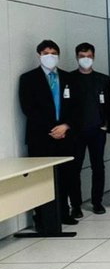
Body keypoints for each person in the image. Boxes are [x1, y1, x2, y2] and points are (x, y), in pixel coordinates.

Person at [18, 40, 79, 226]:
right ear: (39, 55)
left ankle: (63, 213)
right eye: (46, 53)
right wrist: (51, 129)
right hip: (40, 136)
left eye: (53, 53)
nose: (50, 56)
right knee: (41, 179)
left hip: (65, 135)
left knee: (65, 176)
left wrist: (66, 126)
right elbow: (28, 108)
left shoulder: (69, 78)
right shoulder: (28, 78)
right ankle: (41, 217)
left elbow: (77, 107)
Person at [69, 42, 110, 215]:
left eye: (88, 56)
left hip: (97, 130)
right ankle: (76, 205)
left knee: (98, 167)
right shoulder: (69, 78)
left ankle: (97, 202)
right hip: (76, 131)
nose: (85, 59)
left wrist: (106, 124)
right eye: (82, 56)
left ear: (93, 57)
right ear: (77, 57)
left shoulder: (103, 79)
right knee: (74, 168)